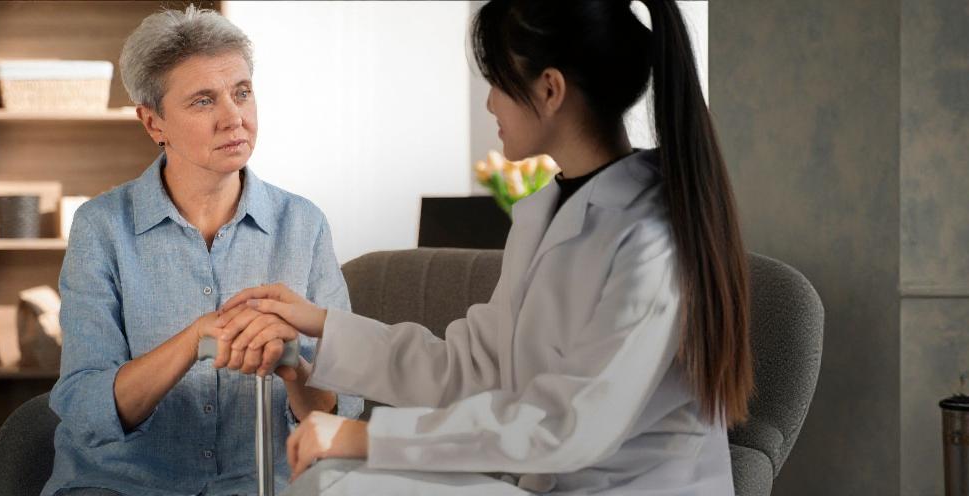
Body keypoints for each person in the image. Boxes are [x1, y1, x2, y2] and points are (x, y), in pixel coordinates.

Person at [207, 0, 750, 494]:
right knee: (329, 481)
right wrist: (318, 322)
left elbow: (569, 425)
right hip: (551, 481)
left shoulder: (651, 238)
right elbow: (470, 366)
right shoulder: (545, 212)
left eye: (495, 81)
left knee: (338, 483)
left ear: (549, 90)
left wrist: (364, 437)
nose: (489, 102)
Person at [42, 6, 363, 495]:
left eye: (242, 92)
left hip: (263, 484)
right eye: (203, 101)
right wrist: (194, 340)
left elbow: (340, 409)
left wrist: (292, 363)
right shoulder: (101, 227)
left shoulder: (303, 224)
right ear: (153, 123)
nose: (234, 118)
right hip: (124, 485)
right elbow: (86, 406)